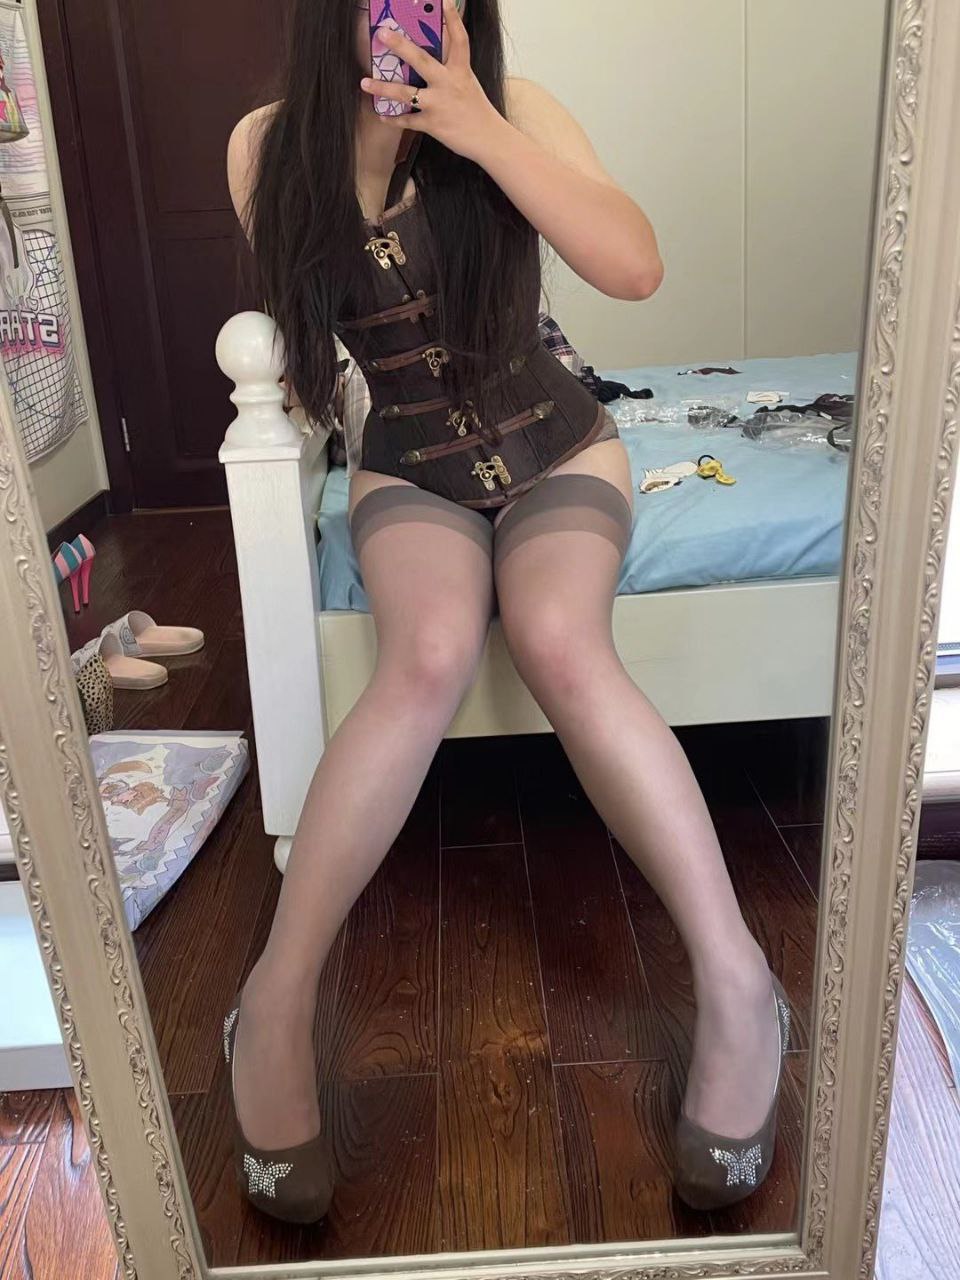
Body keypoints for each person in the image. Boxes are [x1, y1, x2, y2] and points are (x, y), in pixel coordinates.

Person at [224, 0, 788, 1224]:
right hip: (410, 462)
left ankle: (741, 981)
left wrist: (477, 128)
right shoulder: (266, 145)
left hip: (559, 441)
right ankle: (272, 998)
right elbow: (324, 340)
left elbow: (634, 267)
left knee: (559, 641)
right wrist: (378, 144)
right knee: (426, 654)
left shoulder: (517, 110)